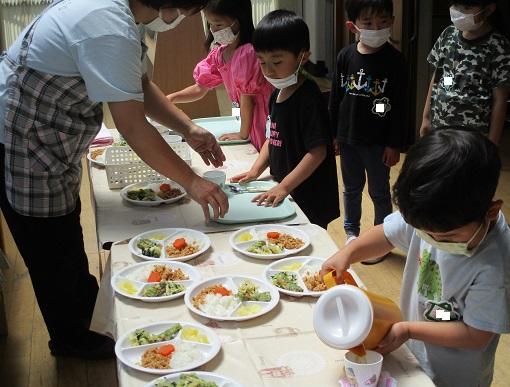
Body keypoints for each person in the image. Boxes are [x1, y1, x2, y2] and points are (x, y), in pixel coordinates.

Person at [0, 0, 229, 359]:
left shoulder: (123, 14)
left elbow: (136, 84)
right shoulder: (109, 25)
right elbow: (133, 125)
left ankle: (87, 318)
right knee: (50, 246)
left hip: (47, 139)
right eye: (183, 11)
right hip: (23, 139)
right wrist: (192, 181)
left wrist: (188, 128)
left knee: (64, 235)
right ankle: (72, 339)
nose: (181, 19)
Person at [322, 130, 510, 387]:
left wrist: (409, 329)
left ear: (491, 211)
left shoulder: (497, 266)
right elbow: (388, 235)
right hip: (414, 351)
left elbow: (476, 334)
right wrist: (348, 252)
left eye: (446, 236)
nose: (434, 240)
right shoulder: (432, 213)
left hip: (454, 376)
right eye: (426, 234)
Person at [230, 10, 339, 228]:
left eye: (277, 62)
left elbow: (317, 153)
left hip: (310, 193)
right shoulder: (275, 95)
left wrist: (284, 186)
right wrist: (255, 170)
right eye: (262, 62)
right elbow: (272, 138)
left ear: (302, 56)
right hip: (286, 188)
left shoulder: (309, 98)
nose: (268, 71)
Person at [329, 0, 408, 263]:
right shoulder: (345, 57)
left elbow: (400, 107)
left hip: (378, 142)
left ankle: (381, 238)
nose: (377, 28)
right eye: (369, 23)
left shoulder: (396, 60)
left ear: (392, 22)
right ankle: (352, 233)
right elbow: (336, 99)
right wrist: (335, 134)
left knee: (379, 191)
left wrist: (394, 144)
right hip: (349, 138)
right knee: (351, 189)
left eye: (383, 22)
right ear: (353, 26)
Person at [167, 0, 273, 150]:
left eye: (218, 25)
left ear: (239, 20)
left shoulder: (248, 52)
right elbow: (200, 88)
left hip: (262, 117)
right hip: (248, 117)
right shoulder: (220, 53)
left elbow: (247, 100)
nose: (214, 30)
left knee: (264, 153)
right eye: (210, 25)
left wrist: (242, 134)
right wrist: (172, 98)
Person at [420, 0, 510, 145]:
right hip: (440, 131)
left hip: (474, 138)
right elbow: (436, 78)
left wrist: (492, 142)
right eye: (455, 5)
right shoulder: (448, 34)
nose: (458, 11)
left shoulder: (498, 46)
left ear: (488, 10)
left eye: (466, 7)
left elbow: (500, 100)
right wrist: (426, 117)